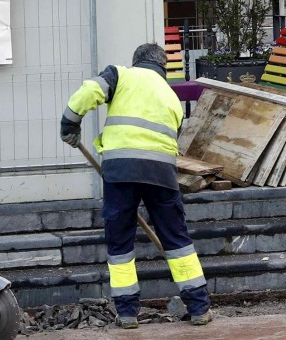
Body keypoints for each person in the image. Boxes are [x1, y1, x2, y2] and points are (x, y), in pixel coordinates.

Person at [60, 43, 213, 328]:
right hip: (162, 175)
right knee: (177, 241)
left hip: (121, 172)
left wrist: (70, 123)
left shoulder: (120, 75)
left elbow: (89, 92)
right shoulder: (171, 95)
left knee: (120, 244)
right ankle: (199, 307)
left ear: (136, 62)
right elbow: (174, 136)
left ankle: (128, 313)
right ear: (162, 67)